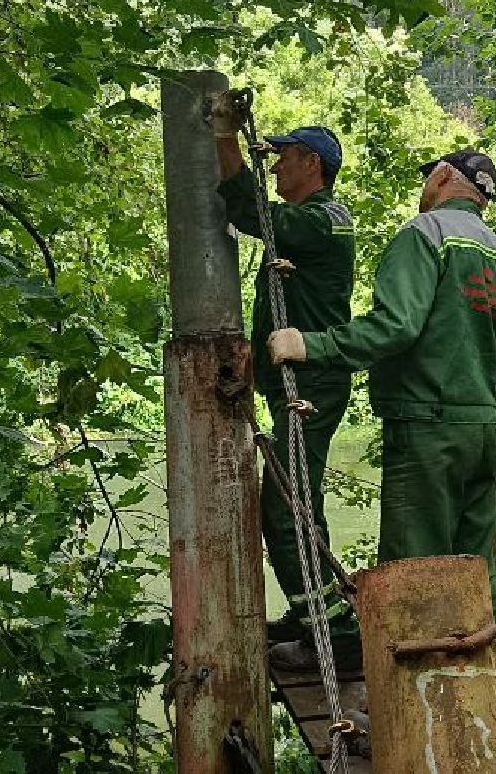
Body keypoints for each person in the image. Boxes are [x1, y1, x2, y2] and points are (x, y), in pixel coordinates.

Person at [267, 149, 496, 670]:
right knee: (472, 574)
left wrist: (311, 346)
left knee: (413, 574)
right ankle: (473, 697)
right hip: (480, 431)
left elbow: (396, 327)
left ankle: (414, 715)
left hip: (426, 427)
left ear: (441, 178)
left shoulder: (425, 233)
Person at [207, 92, 357, 647]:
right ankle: (312, 615)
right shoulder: (314, 219)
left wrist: (225, 137)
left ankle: (332, 632)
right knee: (298, 500)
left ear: (311, 164)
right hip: (297, 383)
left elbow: (252, 213)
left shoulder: (324, 221)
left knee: (285, 505)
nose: (275, 166)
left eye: (284, 157)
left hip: (311, 384)